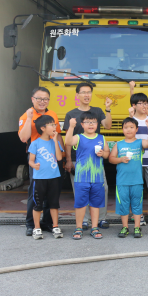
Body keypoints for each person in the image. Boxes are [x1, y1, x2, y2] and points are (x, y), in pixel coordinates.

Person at [63, 82, 112, 230]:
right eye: (83, 92)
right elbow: (68, 140)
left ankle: (101, 219)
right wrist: (68, 160)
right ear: (77, 95)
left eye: (89, 92)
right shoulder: (71, 115)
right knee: (80, 192)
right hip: (79, 161)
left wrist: (108, 109)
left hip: (96, 161)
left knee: (102, 189)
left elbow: (108, 126)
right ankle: (84, 220)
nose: (86, 95)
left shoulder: (97, 111)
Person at [18, 87, 64, 236]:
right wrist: (30, 118)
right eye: (39, 99)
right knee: (35, 192)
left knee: (52, 192)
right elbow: (23, 138)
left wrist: (63, 155)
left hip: (53, 155)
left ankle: (48, 223)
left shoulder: (52, 115)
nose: (42, 102)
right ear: (32, 99)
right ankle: (31, 224)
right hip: (36, 157)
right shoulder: (26, 115)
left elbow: (58, 136)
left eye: (45, 99)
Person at [65, 113, 110, 240]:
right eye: (88, 122)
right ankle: (78, 228)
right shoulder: (78, 137)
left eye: (94, 122)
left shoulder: (101, 138)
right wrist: (71, 127)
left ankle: (94, 227)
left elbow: (107, 153)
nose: (91, 124)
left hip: (97, 178)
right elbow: (68, 141)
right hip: (81, 178)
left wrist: (103, 153)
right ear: (82, 124)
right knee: (80, 204)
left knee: (95, 204)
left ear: (97, 124)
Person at [108, 117, 148, 238]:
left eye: (131, 127)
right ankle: (125, 227)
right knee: (123, 204)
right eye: (126, 127)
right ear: (122, 129)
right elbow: (111, 159)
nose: (128, 130)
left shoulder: (140, 143)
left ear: (136, 129)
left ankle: (137, 228)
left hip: (137, 181)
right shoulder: (118, 144)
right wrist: (120, 159)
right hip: (122, 181)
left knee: (137, 204)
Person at [28, 115, 64, 239]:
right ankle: (37, 228)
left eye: (55, 124)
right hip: (39, 179)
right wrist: (34, 165)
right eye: (52, 125)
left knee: (54, 204)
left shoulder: (55, 142)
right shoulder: (35, 143)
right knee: (38, 204)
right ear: (43, 128)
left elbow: (59, 158)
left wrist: (55, 141)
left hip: (54, 177)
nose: (55, 127)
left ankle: (55, 226)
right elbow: (31, 161)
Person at [127, 91, 148, 225]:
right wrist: (131, 117)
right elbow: (128, 138)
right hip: (134, 160)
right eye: (141, 103)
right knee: (136, 188)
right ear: (134, 105)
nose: (144, 106)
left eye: (146, 103)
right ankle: (137, 215)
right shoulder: (130, 121)